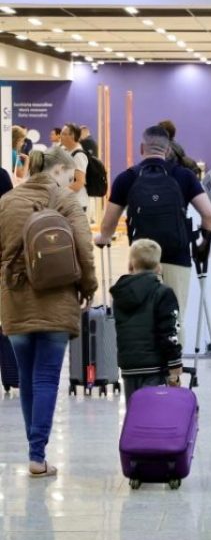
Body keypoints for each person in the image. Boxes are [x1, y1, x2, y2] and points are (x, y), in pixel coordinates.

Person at [0, 146, 97, 477]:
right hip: (57, 299)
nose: (71, 183)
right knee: (45, 378)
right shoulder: (67, 202)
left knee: (27, 380)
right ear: (58, 171)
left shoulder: (7, 201)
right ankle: (37, 455)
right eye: (70, 176)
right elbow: (84, 248)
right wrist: (89, 287)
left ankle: (35, 453)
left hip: (15, 300)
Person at [94, 126, 211, 334]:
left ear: (142, 148)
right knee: (174, 318)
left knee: (143, 319)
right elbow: (210, 216)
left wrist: (102, 238)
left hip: (141, 258)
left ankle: (146, 365)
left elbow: (108, 224)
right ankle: (174, 365)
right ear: (168, 149)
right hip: (177, 255)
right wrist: (202, 244)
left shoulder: (127, 178)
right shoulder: (184, 176)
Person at [111, 238, 183, 404]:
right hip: (154, 367)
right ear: (159, 267)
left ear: (131, 266)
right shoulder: (163, 293)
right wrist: (175, 364)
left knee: (135, 413)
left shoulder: (121, 294)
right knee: (153, 415)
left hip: (129, 366)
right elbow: (169, 331)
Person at [60, 123, 89, 213]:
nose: (61, 136)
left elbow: (79, 182)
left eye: (64, 134)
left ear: (72, 136)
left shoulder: (78, 155)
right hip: (68, 202)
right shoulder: (68, 152)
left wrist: (58, 193)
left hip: (76, 204)